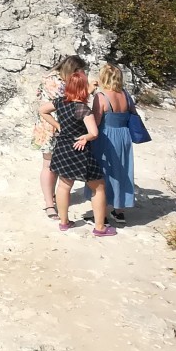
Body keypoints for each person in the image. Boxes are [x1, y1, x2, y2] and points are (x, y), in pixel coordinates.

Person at [48, 69, 113, 234]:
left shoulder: (60, 102)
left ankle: (64, 222)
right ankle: (99, 227)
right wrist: (85, 137)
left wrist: (58, 126)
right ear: (83, 88)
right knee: (98, 187)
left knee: (63, 186)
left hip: (62, 149)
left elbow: (42, 110)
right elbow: (95, 133)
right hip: (79, 152)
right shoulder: (83, 109)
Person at [33, 55, 85, 221]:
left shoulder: (52, 77)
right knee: (49, 164)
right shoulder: (54, 80)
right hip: (51, 125)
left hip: (58, 125)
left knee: (57, 164)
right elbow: (66, 101)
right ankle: (49, 203)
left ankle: (54, 197)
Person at [89, 63, 136, 223]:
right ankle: (119, 211)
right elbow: (133, 114)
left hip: (106, 136)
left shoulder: (101, 96)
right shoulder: (126, 95)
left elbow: (96, 120)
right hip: (124, 136)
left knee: (103, 173)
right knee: (122, 171)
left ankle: (102, 214)